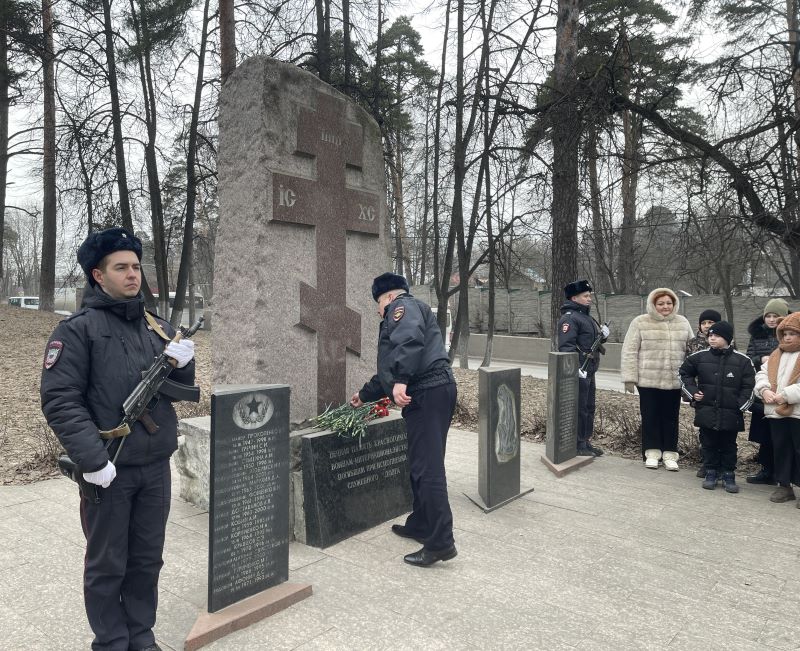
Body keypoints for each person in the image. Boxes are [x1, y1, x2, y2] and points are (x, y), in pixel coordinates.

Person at [40, 228, 196, 651]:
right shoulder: (76, 331)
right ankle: (111, 641)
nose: (133, 275)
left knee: (147, 559)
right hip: (108, 470)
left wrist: (183, 365)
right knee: (108, 564)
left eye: (135, 267)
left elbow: (177, 389)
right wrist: (92, 460)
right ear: (98, 275)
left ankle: (141, 635)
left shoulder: (156, 327)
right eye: (121, 268)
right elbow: (60, 400)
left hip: (154, 467)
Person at [350, 272, 457, 567]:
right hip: (430, 391)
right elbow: (389, 368)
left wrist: (401, 379)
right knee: (421, 464)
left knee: (429, 469)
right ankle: (422, 524)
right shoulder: (409, 308)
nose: (377, 310)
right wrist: (364, 394)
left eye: (376, 303)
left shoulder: (402, 307)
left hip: (426, 392)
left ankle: (440, 543)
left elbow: (408, 341)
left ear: (386, 297)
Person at [621, 288, 693, 470]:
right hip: (648, 380)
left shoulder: (683, 322)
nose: (665, 307)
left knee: (671, 417)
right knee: (650, 416)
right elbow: (629, 351)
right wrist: (630, 378)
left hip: (674, 381)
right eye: (661, 303)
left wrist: (692, 379)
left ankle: (670, 453)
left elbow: (692, 352)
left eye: (669, 303)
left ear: (674, 304)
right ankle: (651, 452)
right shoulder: (640, 322)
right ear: (653, 304)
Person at [679, 321, 755, 493]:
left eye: (717, 336)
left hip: (731, 414)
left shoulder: (743, 361)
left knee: (729, 445)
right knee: (708, 443)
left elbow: (749, 385)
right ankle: (711, 472)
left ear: (728, 338)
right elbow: (684, 373)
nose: (712, 338)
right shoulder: (699, 357)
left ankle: (729, 474)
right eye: (710, 335)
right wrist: (692, 392)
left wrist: (741, 405)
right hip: (706, 411)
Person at [557, 279, 608, 457]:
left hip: (590, 369)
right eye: (585, 296)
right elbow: (566, 347)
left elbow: (591, 343)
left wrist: (603, 337)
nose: (589, 299)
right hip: (580, 370)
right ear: (574, 298)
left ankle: (585, 441)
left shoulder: (587, 317)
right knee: (579, 408)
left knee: (589, 407)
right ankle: (577, 443)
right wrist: (575, 368)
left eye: (589, 295)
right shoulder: (570, 318)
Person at [753, 311, 800, 505]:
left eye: (793, 333)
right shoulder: (776, 353)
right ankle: (784, 485)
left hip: (797, 412)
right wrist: (764, 391)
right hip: (775, 412)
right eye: (785, 333)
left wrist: (786, 395)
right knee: (780, 448)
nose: (787, 337)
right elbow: (762, 374)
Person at [745, 298, 788, 485]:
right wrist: (759, 359)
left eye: (775, 316)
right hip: (763, 389)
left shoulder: (790, 334)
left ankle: (783, 473)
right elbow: (748, 357)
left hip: (785, 389)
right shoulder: (757, 334)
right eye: (768, 316)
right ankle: (766, 469)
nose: (771, 320)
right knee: (764, 434)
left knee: (782, 435)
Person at [685, 308, 722, 477]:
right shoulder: (693, 343)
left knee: (721, 428)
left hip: (721, 393)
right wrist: (690, 392)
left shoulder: (725, 341)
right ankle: (706, 462)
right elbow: (686, 370)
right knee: (704, 428)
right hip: (701, 392)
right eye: (704, 323)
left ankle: (721, 463)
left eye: (711, 323)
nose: (707, 326)